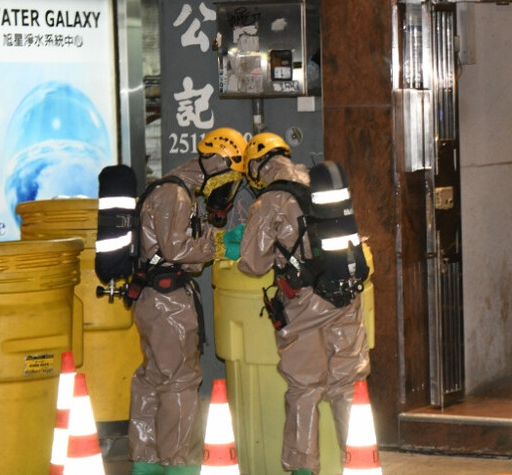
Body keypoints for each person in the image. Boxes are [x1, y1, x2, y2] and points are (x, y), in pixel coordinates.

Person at [237, 132, 370, 475]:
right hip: (345, 297)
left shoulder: (269, 202)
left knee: (305, 389)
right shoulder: (318, 184)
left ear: (256, 166)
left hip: (305, 306)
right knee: (348, 386)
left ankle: (302, 470)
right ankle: (361, 464)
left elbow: (252, 263)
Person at [128, 127, 246, 475]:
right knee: (179, 382)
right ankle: (176, 465)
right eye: (229, 178)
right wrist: (216, 246)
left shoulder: (177, 192)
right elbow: (176, 250)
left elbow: (180, 253)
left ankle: (146, 462)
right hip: (168, 304)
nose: (226, 189)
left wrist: (210, 242)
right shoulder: (175, 195)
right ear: (217, 163)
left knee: (152, 380)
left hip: (154, 299)